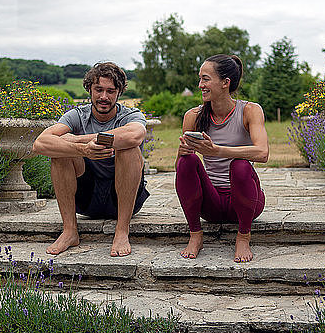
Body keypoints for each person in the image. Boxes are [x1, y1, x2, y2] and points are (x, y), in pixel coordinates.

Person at [32, 62, 149, 257]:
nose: (104, 97)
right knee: (60, 152)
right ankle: (70, 231)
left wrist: (77, 139)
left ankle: (121, 231)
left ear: (119, 92)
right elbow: (40, 143)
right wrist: (82, 149)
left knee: (129, 148)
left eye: (111, 91)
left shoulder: (131, 115)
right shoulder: (77, 115)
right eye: (99, 90)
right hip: (87, 198)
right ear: (89, 89)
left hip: (124, 200)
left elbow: (134, 136)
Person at [176, 54, 269, 262]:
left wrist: (217, 150)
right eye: (200, 79)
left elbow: (262, 153)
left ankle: (243, 236)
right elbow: (181, 171)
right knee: (187, 161)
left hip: (247, 203)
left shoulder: (250, 111)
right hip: (211, 204)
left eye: (206, 79)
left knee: (240, 165)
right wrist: (182, 154)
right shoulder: (193, 116)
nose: (200, 85)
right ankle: (195, 235)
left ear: (225, 83)